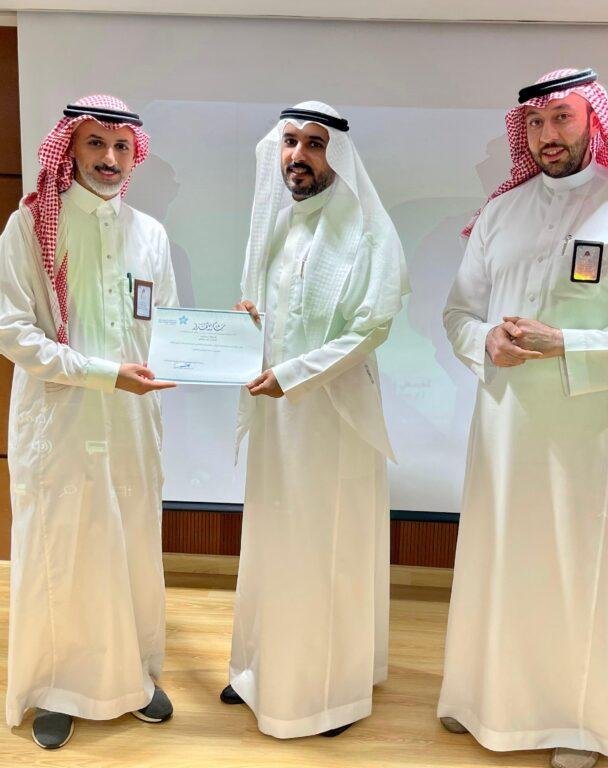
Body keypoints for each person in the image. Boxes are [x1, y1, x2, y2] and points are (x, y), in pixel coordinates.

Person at [439, 69, 608, 768]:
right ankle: (477, 698)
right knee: (495, 558)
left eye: (562, 118)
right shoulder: (501, 212)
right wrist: (484, 340)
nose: (547, 135)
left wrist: (566, 344)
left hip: (587, 434)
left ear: (595, 120)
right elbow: (459, 311)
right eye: (535, 123)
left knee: (573, 569)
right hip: (502, 428)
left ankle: (572, 723)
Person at [0, 94, 179, 749]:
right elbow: (10, 332)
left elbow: (167, 328)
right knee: (63, 549)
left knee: (131, 544)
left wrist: (227, 338)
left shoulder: (150, 235)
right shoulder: (29, 227)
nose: (110, 158)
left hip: (132, 422)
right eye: (96, 143)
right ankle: (57, 689)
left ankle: (133, 677)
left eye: (121, 146)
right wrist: (103, 373)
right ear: (69, 147)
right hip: (60, 421)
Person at [222, 101, 409, 739]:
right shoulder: (278, 225)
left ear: (338, 156)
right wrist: (247, 324)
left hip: (334, 419)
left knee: (325, 548)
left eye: (315, 144)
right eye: (289, 142)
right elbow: (277, 314)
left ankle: (328, 693)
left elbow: (370, 329)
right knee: (273, 540)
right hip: (275, 417)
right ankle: (259, 670)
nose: (298, 155)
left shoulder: (368, 231)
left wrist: (295, 375)